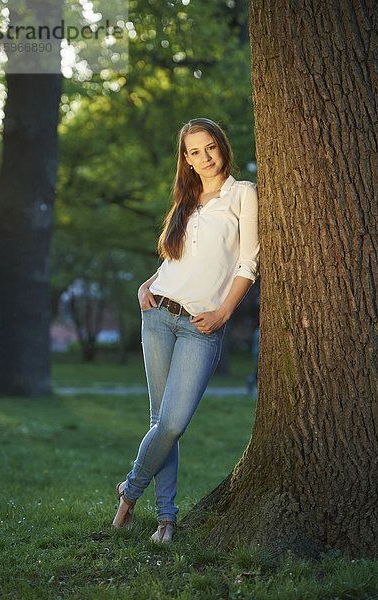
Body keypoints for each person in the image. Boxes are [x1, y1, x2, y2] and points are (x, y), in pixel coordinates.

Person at [113, 117, 260, 543]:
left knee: (173, 423)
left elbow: (248, 262)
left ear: (222, 147)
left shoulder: (242, 194)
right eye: (194, 151)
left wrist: (224, 313)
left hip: (202, 324)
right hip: (158, 314)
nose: (204, 157)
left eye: (210, 146)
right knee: (162, 422)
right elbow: (179, 257)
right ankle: (166, 519)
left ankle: (129, 491)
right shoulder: (186, 197)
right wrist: (148, 283)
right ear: (186, 159)